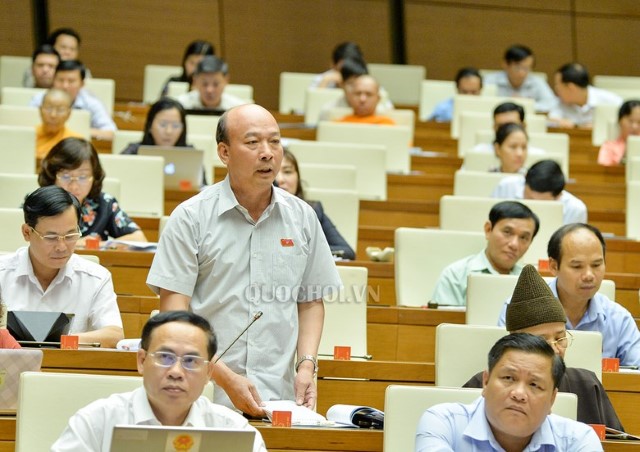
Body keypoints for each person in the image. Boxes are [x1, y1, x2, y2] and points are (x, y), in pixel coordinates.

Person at [146, 104, 341, 416]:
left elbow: (310, 302)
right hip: (202, 396)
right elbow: (174, 317)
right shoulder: (190, 217)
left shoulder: (303, 216)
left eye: (275, 142)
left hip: (278, 397)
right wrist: (226, 378)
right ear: (224, 152)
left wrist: (306, 366)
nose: (267, 153)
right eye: (253, 143)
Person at [51, 311, 267, 452]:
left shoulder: (236, 434)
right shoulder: (95, 422)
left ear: (209, 372)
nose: (176, 372)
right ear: (142, 361)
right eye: (165, 357)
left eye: (191, 361)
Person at [464, 264, 624, 429]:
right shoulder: (485, 383)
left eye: (560, 338)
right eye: (542, 341)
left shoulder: (587, 384)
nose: (555, 349)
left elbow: (617, 442)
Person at [415, 333, 602, 451]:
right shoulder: (444, 422)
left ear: (552, 399)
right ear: (486, 382)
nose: (519, 393)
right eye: (508, 378)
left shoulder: (577, 441)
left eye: (534, 385)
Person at [499, 223, 640, 367]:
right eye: (577, 266)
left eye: (596, 265)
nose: (589, 275)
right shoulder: (520, 309)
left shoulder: (619, 318)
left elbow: (635, 375)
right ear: (554, 266)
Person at [0, 186, 123, 348]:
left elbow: (114, 335)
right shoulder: (2, 273)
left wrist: (59, 342)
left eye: (71, 236)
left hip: (68, 370)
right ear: (27, 232)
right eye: (51, 237)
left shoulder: (96, 277)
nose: (62, 247)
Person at [39, 137, 146, 244]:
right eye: (66, 176)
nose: (74, 186)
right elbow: (25, 241)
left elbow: (139, 239)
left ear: (94, 176)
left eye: (83, 177)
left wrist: (96, 245)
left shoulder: (105, 203)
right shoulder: (38, 203)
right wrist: (78, 244)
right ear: (52, 175)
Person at [431, 201, 539, 306]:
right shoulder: (456, 275)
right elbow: (444, 320)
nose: (514, 244)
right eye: (507, 232)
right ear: (488, 230)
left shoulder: (532, 283)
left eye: (524, 237)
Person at [276, 150, 356, 259]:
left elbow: (347, 251)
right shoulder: (253, 214)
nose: (280, 179)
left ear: (298, 178)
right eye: (274, 172)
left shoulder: (313, 210)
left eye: (287, 172)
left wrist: (303, 249)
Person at [29, 60, 116, 140]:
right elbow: (27, 127)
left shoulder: (91, 103)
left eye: (71, 81)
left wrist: (73, 133)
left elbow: (111, 133)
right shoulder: (39, 99)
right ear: (53, 80)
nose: (65, 86)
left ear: (82, 84)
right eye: (60, 80)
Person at [491, 159, 587, 225]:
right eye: (529, 198)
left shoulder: (575, 209)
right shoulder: (506, 186)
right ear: (525, 179)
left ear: (558, 196)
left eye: (538, 202)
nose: (532, 206)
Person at [483, 44, 557, 113]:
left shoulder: (537, 82)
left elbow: (551, 104)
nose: (522, 73)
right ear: (505, 64)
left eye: (526, 68)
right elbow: (483, 103)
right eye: (518, 68)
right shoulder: (491, 80)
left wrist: (525, 105)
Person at [318, 57, 394, 122]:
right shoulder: (328, 112)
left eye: (368, 94)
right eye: (351, 84)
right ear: (341, 84)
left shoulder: (385, 112)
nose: (362, 98)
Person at [549, 63, 622, 128]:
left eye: (558, 87)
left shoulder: (610, 100)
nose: (557, 91)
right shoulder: (560, 103)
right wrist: (559, 122)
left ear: (571, 87)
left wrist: (600, 127)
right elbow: (550, 121)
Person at [23, 28, 92, 88]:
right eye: (63, 47)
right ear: (52, 47)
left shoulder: (83, 72)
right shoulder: (38, 69)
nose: (67, 52)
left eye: (72, 49)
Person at [469, 102, 545, 155]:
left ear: (523, 126)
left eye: (511, 125)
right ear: (494, 127)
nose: (506, 131)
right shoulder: (478, 152)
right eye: (501, 126)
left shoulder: (538, 155)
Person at [175, 55, 247, 111]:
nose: (209, 90)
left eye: (216, 84)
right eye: (204, 84)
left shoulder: (237, 109)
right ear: (195, 81)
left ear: (226, 80)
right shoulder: (180, 106)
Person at [121, 97, 188, 154]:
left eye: (175, 126)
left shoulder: (192, 156)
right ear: (150, 126)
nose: (168, 131)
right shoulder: (134, 153)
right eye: (163, 125)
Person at [35, 88, 82, 159]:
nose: (53, 115)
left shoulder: (76, 141)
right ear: (40, 110)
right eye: (48, 108)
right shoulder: (30, 136)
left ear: (69, 114)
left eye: (60, 110)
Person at [598, 99, 640, 166]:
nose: (634, 126)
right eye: (630, 121)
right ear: (620, 121)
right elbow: (603, 171)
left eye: (639, 122)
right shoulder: (609, 146)